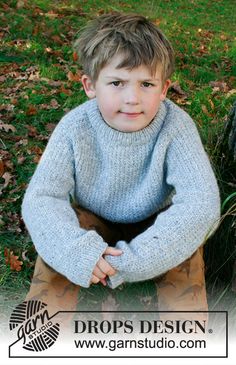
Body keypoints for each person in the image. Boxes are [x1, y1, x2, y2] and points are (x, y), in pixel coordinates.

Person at [22, 13, 220, 321]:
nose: (132, 98)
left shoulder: (176, 127)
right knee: (57, 246)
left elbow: (201, 203)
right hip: (96, 219)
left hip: (156, 223)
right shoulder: (75, 127)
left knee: (187, 254)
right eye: (117, 83)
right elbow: (41, 197)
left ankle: (187, 342)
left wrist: (130, 261)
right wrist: (77, 250)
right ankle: (38, 337)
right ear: (90, 85)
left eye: (146, 84)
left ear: (164, 88)